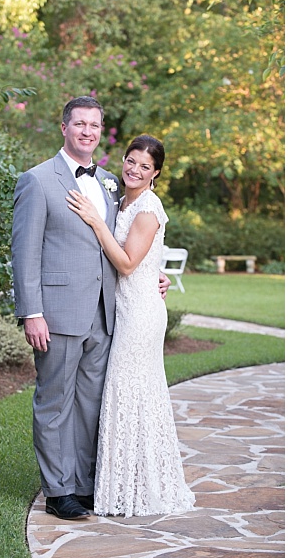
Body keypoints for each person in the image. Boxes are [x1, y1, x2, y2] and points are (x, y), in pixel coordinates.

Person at [12, 96, 170, 521]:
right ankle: (58, 489)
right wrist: (32, 312)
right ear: (64, 127)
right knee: (55, 401)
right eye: (79, 123)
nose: (87, 131)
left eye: (95, 125)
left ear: (101, 132)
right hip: (59, 312)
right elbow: (24, 252)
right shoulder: (38, 180)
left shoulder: (111, 184)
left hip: (106, 314)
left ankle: (83, 485)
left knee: (90, 403)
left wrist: (153, 273)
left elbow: (127, 242)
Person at [66, 135, 195, 517]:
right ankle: (121, 483)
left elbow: (125, 263)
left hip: (140, 314)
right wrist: (159, 272)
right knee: (125, 395)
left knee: (131, 393)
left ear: (155, 174)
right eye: (131, 161)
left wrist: (93, 219)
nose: (134, 170)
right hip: (123, 307)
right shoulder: (120, 201)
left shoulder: (148, 208)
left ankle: (141, 487)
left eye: (144, 166)